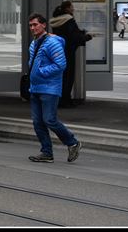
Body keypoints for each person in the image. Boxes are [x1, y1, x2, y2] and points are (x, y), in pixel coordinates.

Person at [26, 13, 82, 163]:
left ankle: (72, 142)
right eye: (30, 25)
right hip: (35, 88)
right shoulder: (34, 43)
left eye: (35, 24)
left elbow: (60, 64)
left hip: (49, 88)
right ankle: (46, 153)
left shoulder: (52, 42)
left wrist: (41, 72)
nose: (33, 28)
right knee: (38, 122)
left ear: (44, 25)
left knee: (49, 120)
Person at [49, 1, 92, 107]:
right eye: (71, 7)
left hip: (57, 50)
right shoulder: (69, 20)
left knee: (60, 75)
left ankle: (58, 99)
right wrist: (87, 37)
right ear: (67, 8)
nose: (73, 9)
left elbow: (64, 33)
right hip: (68, 51)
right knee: (68, 76)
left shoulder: (55, 20)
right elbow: (74, 36)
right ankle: (65, 100)